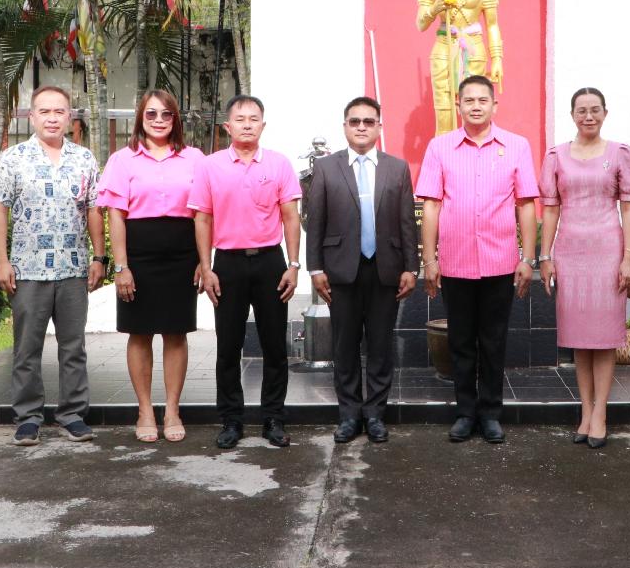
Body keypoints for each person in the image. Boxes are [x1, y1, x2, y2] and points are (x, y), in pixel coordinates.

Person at [416, 75, 538, 444]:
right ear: (458, 105)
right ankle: (465, 413)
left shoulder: (516, 146)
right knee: (461, 341)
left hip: (500, 261)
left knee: (494, 341)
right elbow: (431, 205)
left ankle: (491, 414)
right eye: (468, 100)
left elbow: (526, 204)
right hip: (456, 262)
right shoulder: (440, 147)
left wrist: (528, 257)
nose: (475, 106)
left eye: (482, 100)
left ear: (494, 105)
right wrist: (430, 259)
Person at [0, 86, 104, 446]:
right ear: (32, 116)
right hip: (28, 270)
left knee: (73, 348)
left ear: (69, 117)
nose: (52, 118)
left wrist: (99, 257)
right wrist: (2, 261)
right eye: (45, 111)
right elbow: (0, 211)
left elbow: (94, 210)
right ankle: (28, 418)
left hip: (72, 269)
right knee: (26, 349)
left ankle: (73, 415)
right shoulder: (13, 158)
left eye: (59, 111)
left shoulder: (84, 159)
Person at [191, 95, 303, 449]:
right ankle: (231, 420)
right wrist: (206, 267)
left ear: (263, 125)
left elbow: (291, 217)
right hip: (228, 264)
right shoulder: (210, 166)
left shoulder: (279, 164)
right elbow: (202, 219)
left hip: (271, 262)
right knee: (228, 346)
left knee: (275, 346)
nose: (247, 125)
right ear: (228, 126)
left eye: (254, 119)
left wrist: (294, 265)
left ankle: (273, 418)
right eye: (240, 119)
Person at [305, 97, 419, 444]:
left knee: (381, 346)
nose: (361, 127)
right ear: (345, 126)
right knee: (344, 346)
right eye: (354, 121)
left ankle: (375, 415)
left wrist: (412, 267)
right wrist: (315, 268)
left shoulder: (397, 168)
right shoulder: (326, 167)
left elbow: (406, 222)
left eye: (369, 122)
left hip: (386, 269)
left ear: (379, 127)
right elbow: (316, 220)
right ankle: (350, 415)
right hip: (341, 270)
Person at [96, 90, 205, 443]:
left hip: (182, 255)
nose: (159, 120)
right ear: (140, 117)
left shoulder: (195, 158)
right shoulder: (122, 160)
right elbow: (115, 215)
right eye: (151, 114)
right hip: (138, 255)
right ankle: (145, 410)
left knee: (176, 332)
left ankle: (172, 410)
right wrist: (121, 267)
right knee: (139, 332)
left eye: (166, 114)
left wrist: (204, 262)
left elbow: (205, 213)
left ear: (176, 119)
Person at [538, 87, 630, 449]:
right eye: (581, 110)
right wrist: (545, 256)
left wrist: (628, 257)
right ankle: (585, 411)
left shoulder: (620, 153)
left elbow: (629, 208)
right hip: (570, 252)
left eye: (595, 109)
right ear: (572, 115)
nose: (588, 116)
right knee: (579, 338)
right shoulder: (556, 156)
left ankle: (601, 414)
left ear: (605, 113)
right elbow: (551, 208)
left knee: (604, 337)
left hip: (608, 250)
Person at [415, 0, 505, 135]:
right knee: (444, 106)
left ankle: (473, 146)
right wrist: (435, 8)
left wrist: (497, 59)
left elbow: (492, 25)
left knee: (474, 102)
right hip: (444, 47)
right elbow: (420, 24)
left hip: (473, 49)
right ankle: (443, 150)